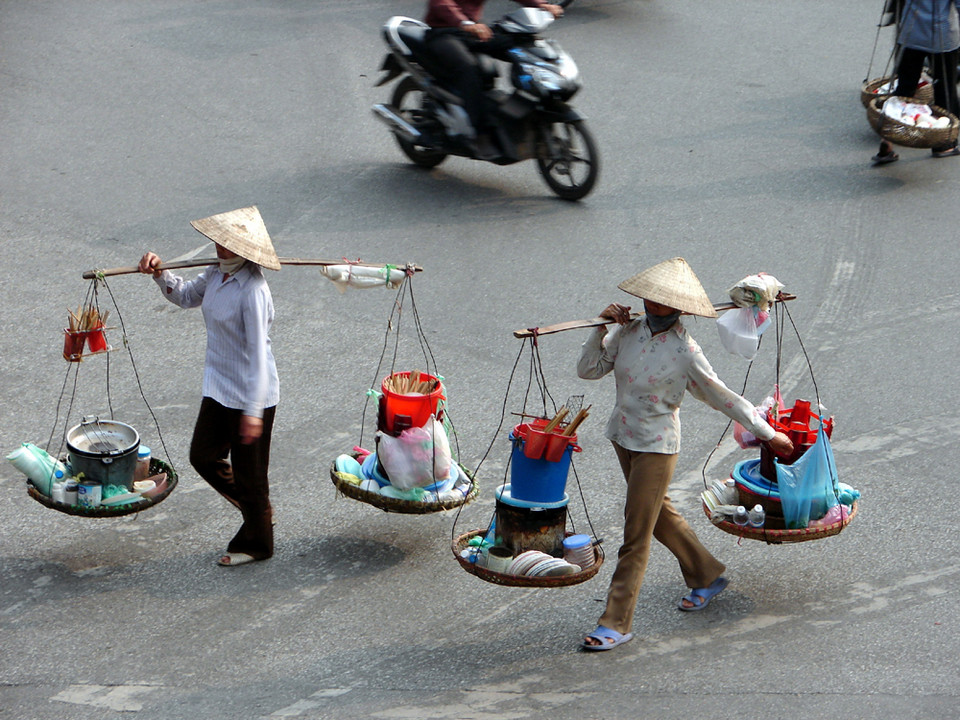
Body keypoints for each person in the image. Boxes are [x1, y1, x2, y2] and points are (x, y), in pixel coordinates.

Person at [575, 258, 794, 651]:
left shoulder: (685, 352)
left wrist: (768, 434)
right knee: (657, 515)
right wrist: (600, 327)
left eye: (663, 302)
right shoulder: (628, 332)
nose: (652, 306)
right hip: (622, 436)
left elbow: (724, 396)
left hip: (656, 447)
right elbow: (589, 370)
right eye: (649, 299)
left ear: (680, 308)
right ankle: (707, 574)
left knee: (635, 535)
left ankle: (615, 621)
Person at [138, 206, 281, 567]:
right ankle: (258, 509)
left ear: (245, 250)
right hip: (219, 386)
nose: (219, 248)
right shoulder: (215, 274)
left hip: (252, 394)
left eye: (228, 244)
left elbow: (259, 357)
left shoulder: (253, 291)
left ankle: (258, 542)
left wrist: (253, 413)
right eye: (218, 241)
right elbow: (185, 296)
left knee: (251, 475)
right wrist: (160, 273)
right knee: (202, 456)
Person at [423, 0, 564, 157]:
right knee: (469, 69)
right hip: (444, 33)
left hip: (474, 31)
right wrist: (464, 23)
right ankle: (480, 133)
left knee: (522, 45)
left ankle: (528, 113)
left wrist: (542, 5)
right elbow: (441, 3)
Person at [872, 0, 960, 164]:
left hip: (910, 33)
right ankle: (944, 144)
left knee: (904, 89)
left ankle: (887, 141)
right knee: (945, 88)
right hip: (942, 35)